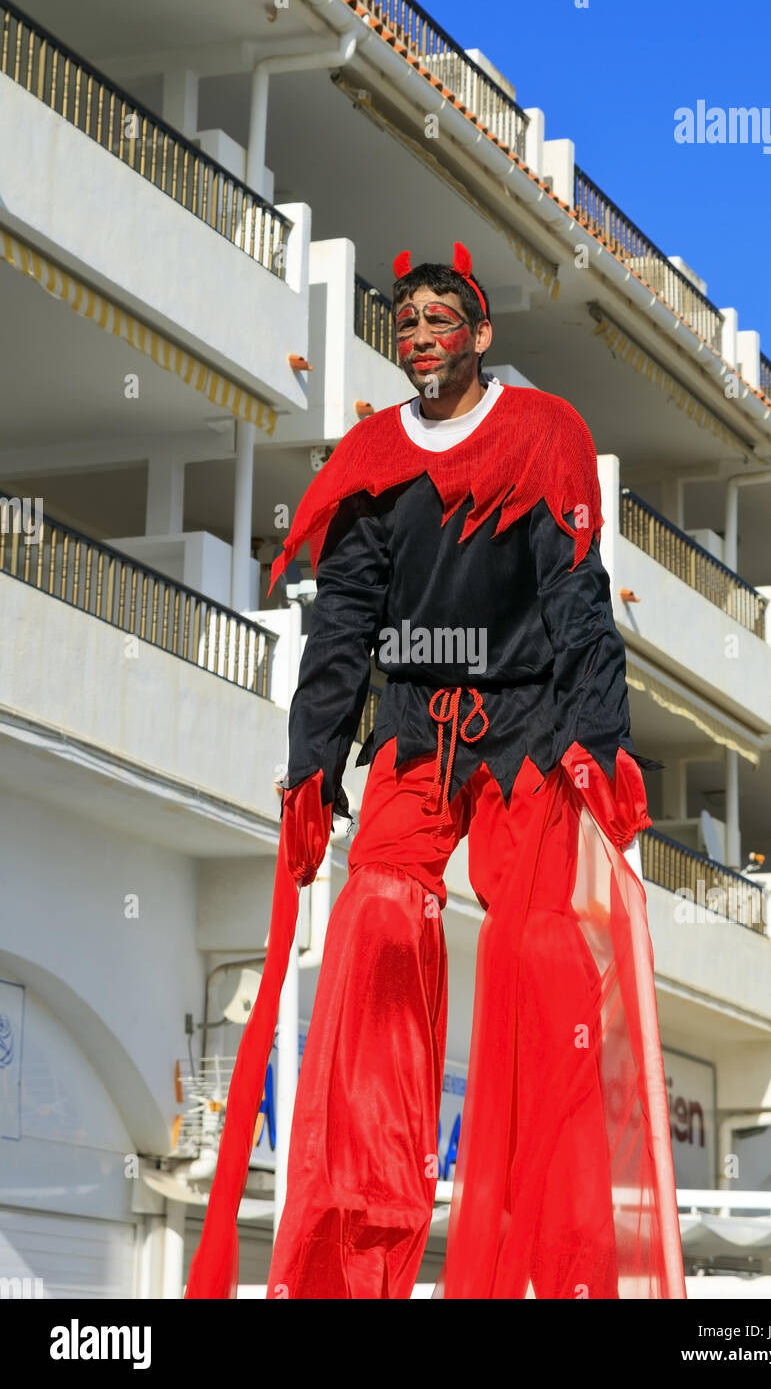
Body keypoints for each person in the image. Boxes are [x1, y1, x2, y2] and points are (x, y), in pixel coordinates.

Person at [186, 243, 685, 1300]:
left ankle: (548, 1265)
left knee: (537, 952)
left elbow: (581, 611)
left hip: (529, 730)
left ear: (480, 334)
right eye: (404, 323)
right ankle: (352, 1253)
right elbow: (343, 628)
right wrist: (310, 768)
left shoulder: (545, 435)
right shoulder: (372, 455)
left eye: (439, 318)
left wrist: (601, 748)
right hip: (419, 728)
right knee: (372, 918)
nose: (420, 337)